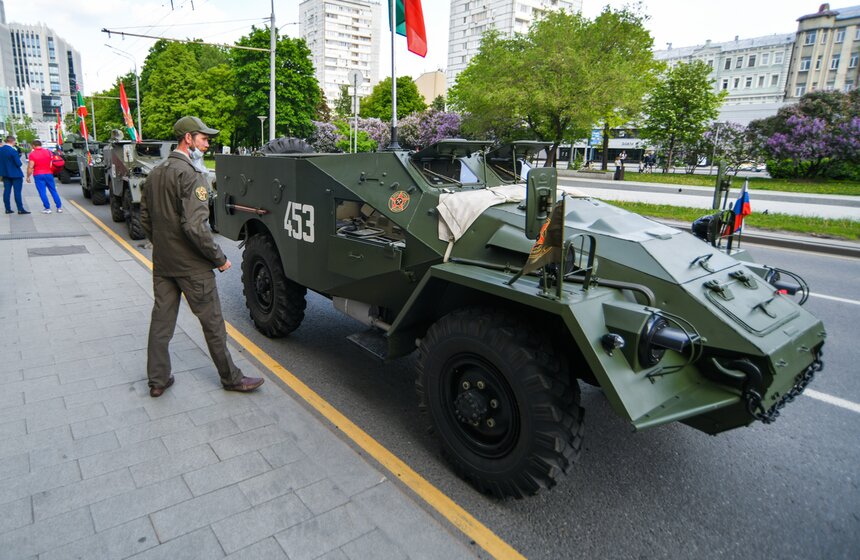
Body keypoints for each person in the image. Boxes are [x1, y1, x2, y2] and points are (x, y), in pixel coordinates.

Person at [141, 115, 264, 398]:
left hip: (163, 264)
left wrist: (163, 245)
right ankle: (231, 378)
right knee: (213, 325)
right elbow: (196, 226)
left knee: (161, 322)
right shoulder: (191, 174)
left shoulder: (156, 173)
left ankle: (157, 380)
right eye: (204, 139)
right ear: (188, 139)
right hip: (192, 267)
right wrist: (219, 258)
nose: (207, 144)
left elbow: (146, 219)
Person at [26, 140, 63, 213]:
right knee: (53, 190)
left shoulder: (32, 154)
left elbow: (30, 166)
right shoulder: (48, 152)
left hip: (38, 174)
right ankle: (59, 208)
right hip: (49, 173)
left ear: (33, 145)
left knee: (42, 192)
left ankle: (47, 208)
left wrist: (28, 176)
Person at [1, 135, 29, 214]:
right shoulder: (13, 151)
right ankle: (20, 209)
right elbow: (19, 163)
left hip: (5, 174)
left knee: (6, 191)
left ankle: (7, 209)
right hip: (16, 174)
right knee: (17, 192)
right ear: (12, 141)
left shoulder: (1, 150)